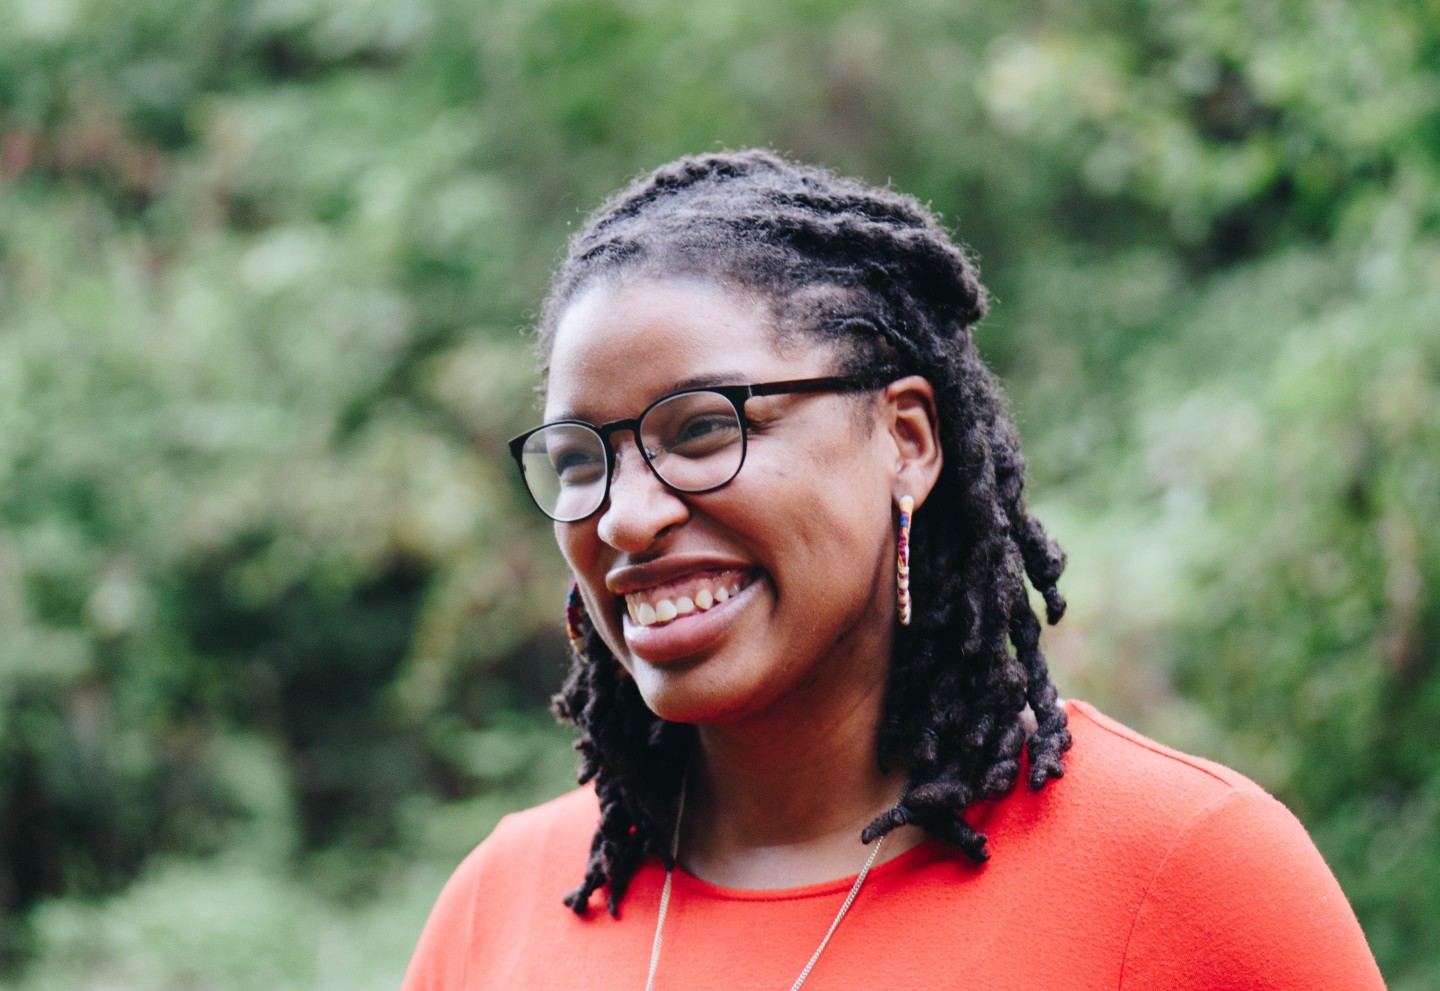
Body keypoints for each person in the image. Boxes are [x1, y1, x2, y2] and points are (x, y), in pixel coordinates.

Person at [403, 150, 1384, 990]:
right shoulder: (502, 909)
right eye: (583, 459)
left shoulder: (1183, 870)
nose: (628, 514)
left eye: (703, 431)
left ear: (905, 440)